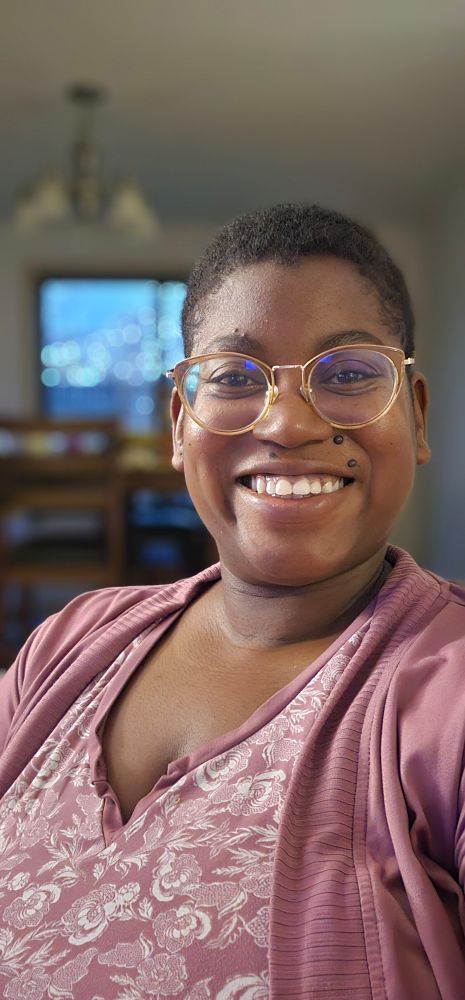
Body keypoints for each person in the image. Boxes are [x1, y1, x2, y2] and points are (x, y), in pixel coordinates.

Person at [0, 203, 464, 1000]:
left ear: (414, 415)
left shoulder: (445, 690)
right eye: (234, 377)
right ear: (181, 423)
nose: (285, 422)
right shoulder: (70, 642)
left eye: (349, 373)